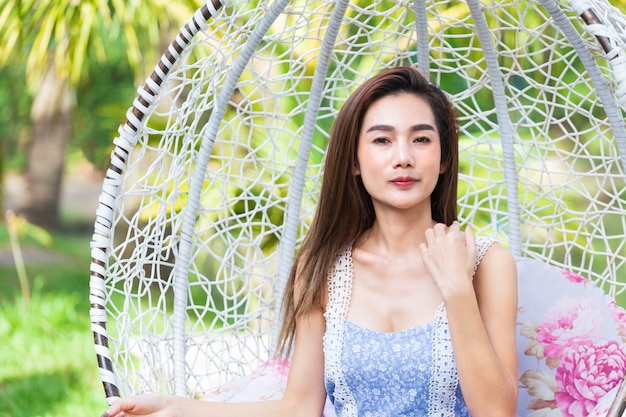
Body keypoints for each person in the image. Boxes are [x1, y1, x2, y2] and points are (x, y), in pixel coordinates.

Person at [103, 66, 519, 417]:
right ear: (354, 162)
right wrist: (179, 408)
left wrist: (457, 290)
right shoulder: (322, 268)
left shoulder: (486, 264)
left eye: (422, 139)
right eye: (382, 140)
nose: (403, 157)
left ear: (444, 158)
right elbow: (300, 407)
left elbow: (499, 412)